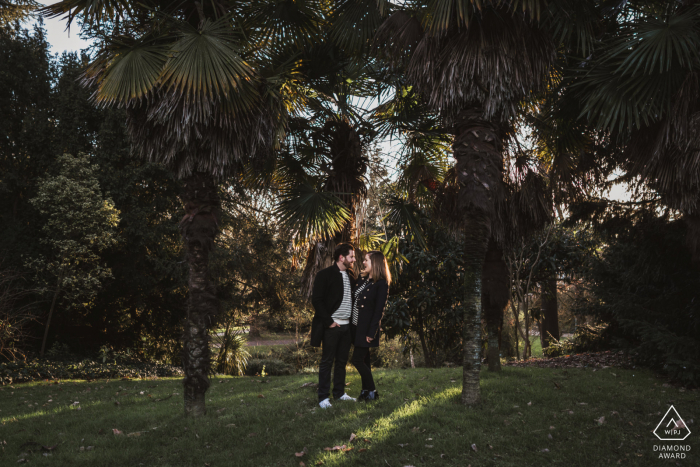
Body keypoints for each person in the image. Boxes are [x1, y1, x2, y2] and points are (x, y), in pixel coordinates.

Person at [310, 243, 357, 408]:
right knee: (327, 362)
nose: (354, 259)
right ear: (341, 257)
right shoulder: (324, 275)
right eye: (351, 256)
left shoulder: (351, 276)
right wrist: (329, 322)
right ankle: (323, 397)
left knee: (342, 362)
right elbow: (317, 300)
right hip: (332, 327)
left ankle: (339, 393)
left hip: (346, 327)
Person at [350, 250, 391, 401]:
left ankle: (373, 392)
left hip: (366, 329)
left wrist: (371, 333)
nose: (364, 262)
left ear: (375, 263)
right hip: (355, 327)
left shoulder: (381, 284)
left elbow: (378, 311)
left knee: (357, 360)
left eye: (367, 260)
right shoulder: (363, 280)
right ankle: (364, 391)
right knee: (365, 361)